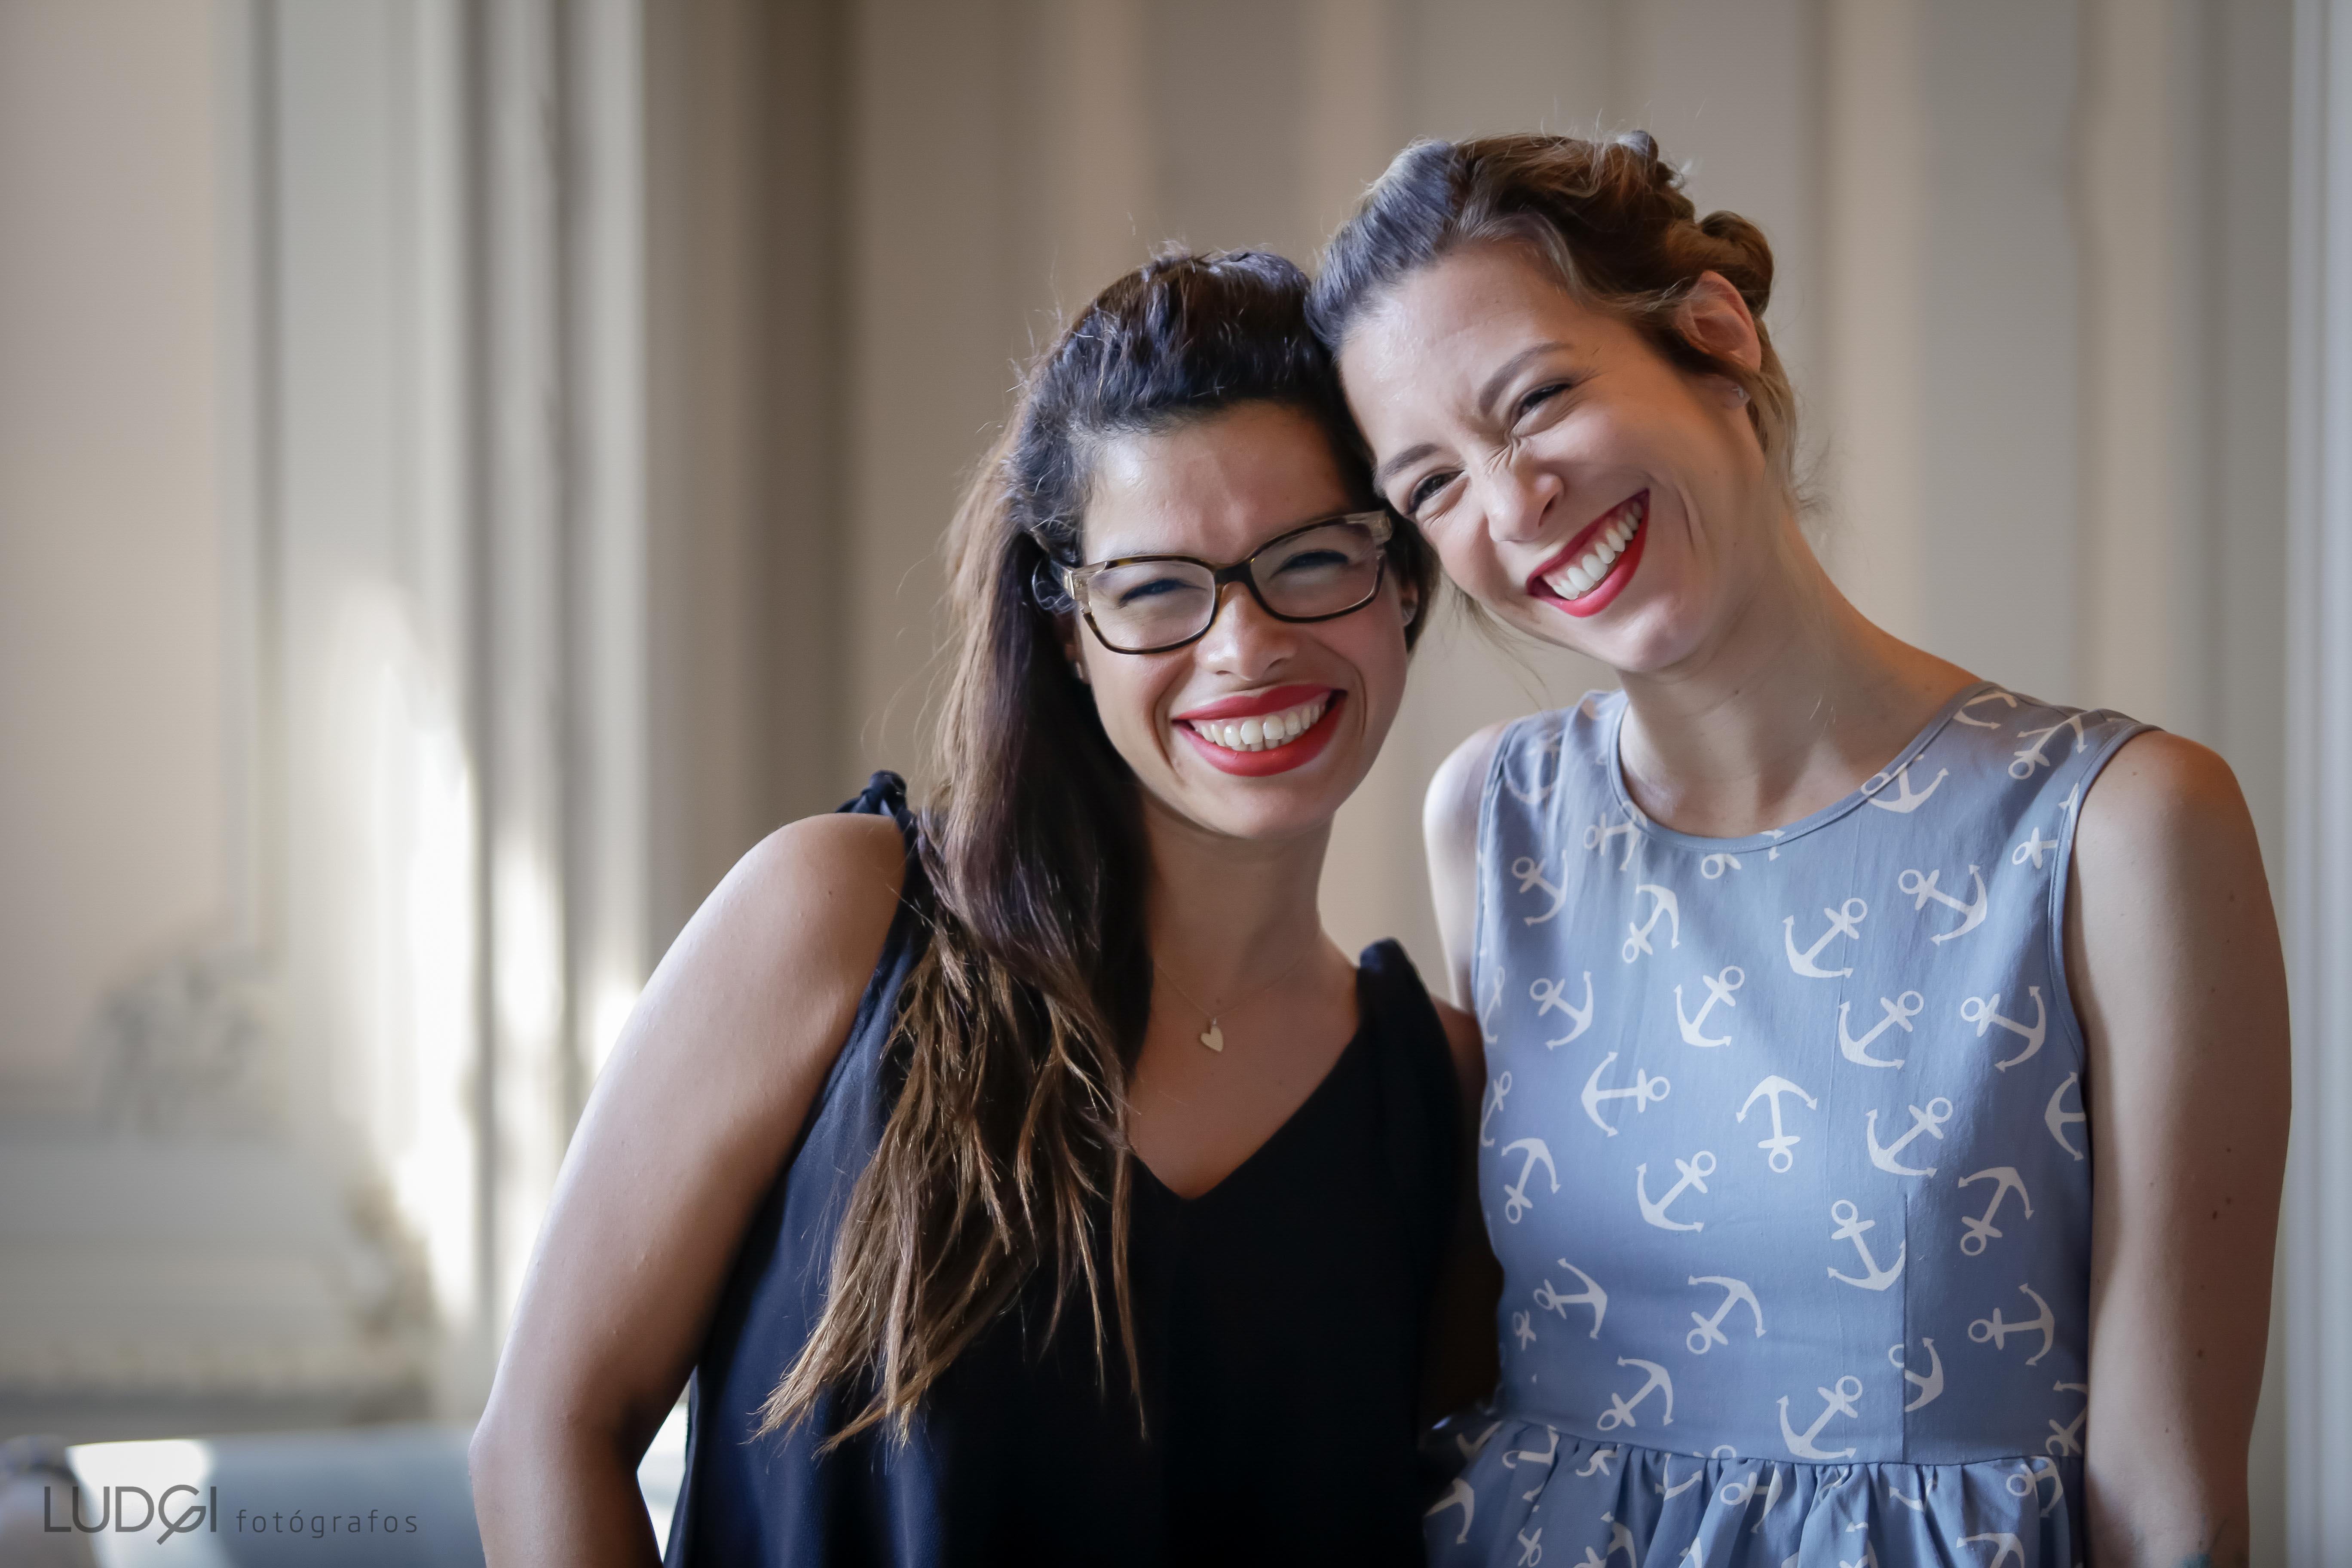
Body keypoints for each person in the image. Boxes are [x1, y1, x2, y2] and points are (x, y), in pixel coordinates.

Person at [1307, 132, 2289, 1566]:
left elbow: (2174, 1511)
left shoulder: (2119, 829)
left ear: (1713, 334)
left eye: (1541, 399)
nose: (1514, 508)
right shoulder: (1495, 818)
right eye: (1433, 487)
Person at [468, 249, 1493, 1567]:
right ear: (1070, 631)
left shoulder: (1442, 1095)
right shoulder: (840, 916)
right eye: (1159, 587)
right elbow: (549, 1436)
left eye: (1311, 560)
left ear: (1401, 576)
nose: (1244, 647)